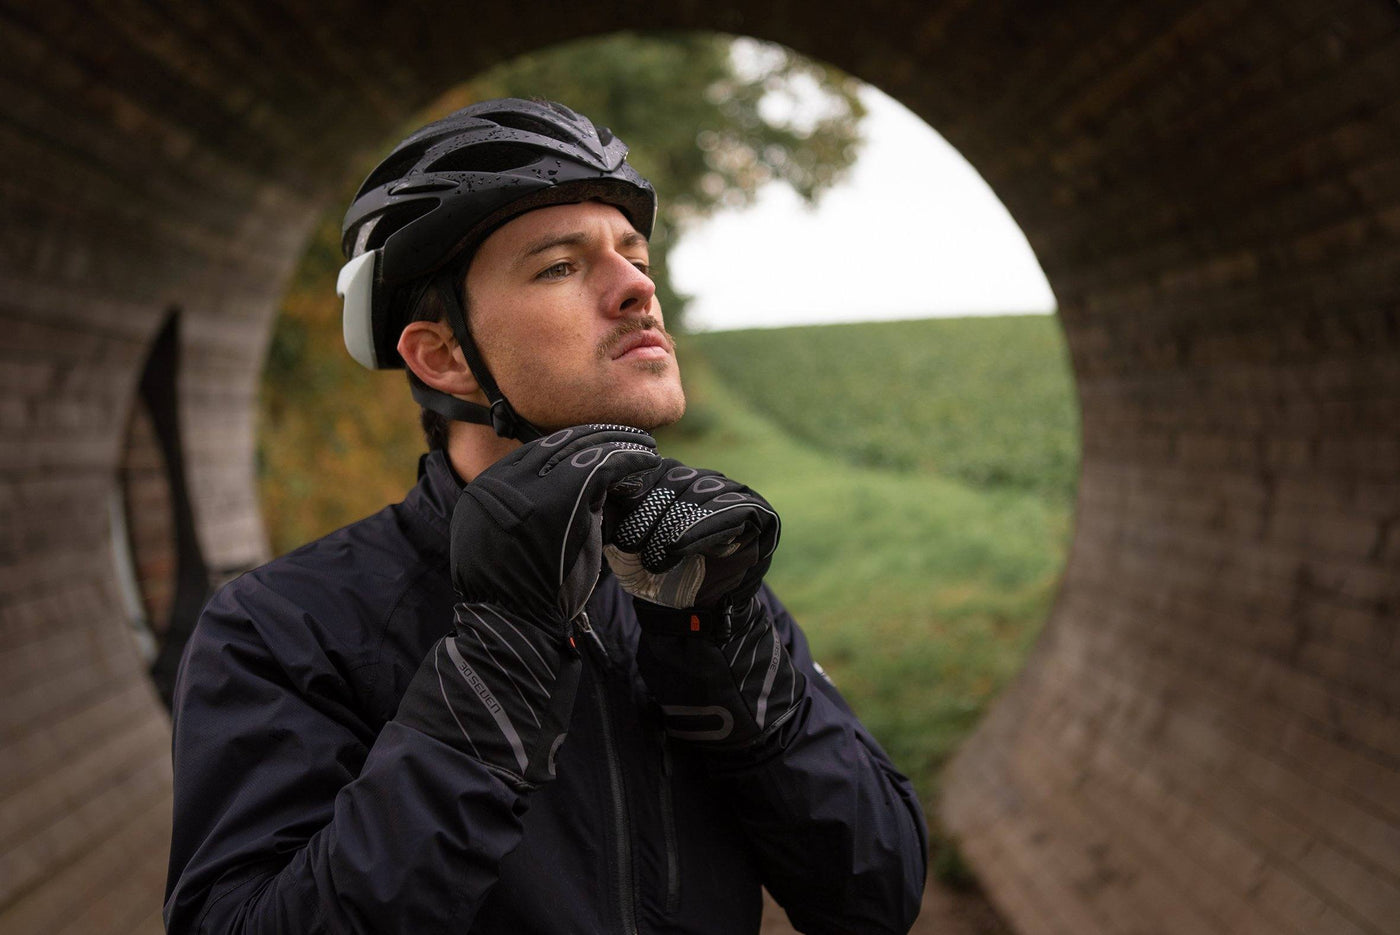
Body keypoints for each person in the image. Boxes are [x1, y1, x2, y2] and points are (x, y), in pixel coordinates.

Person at [164, 97, 927, 934]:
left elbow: (876, 896)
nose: (637, 287)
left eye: (634, 255)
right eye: (561, 266)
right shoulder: (284, 628)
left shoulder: (690, 586)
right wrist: (502, 654)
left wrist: (729, 653)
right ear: (445, 355)